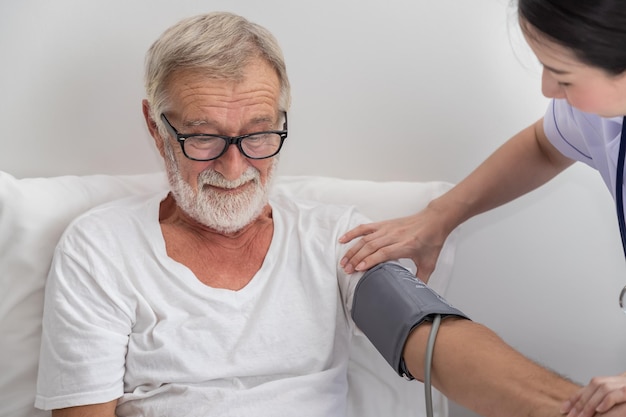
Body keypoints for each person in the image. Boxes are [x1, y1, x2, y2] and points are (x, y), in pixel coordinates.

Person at [33, 11, 620, 417]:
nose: (235, 170)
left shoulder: (336, 238)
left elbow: (434, 339)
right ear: (155, 128)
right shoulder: (100, 248)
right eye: (204, 139)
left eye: (260, 135)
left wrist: (571, 410)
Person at [339, 1, 626, 416]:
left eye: (562, 75)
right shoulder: (602, 113)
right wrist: (439, 216)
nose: (547, 89)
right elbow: (544, 146)